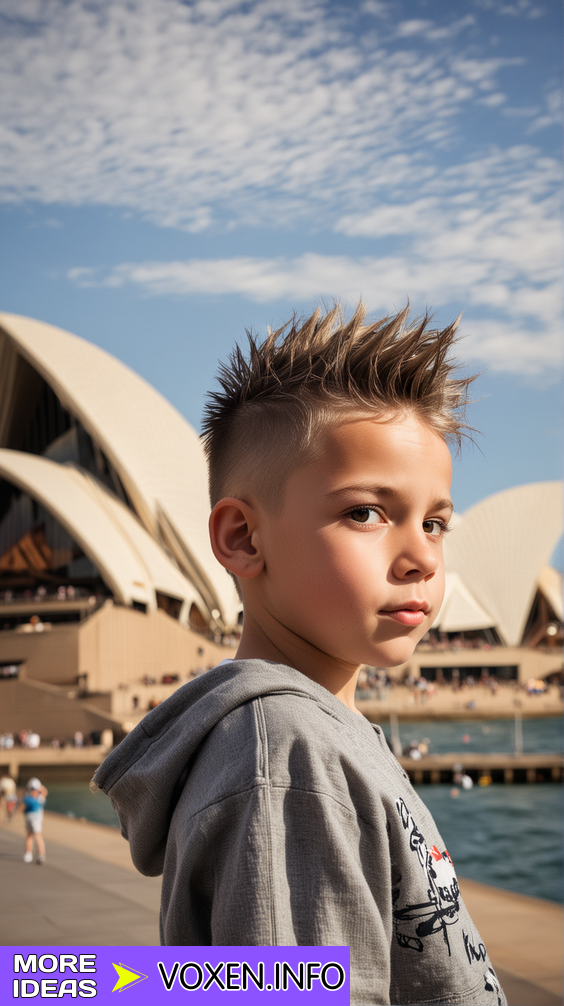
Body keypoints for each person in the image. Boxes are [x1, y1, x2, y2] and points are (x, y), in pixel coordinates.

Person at [94, 304, 506, 1005]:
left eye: (434, 521)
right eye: (366, 512)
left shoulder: (319, 737)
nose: (422, 558)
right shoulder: (284, 754)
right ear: (244, 539)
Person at [21, 777, 48, 863]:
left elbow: (45, 792)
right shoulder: (27, 797)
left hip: (36, 820)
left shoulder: (40, 798)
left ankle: (41, 855)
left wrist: (40, 786)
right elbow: (21, 808)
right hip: (28, 818)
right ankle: (28, 853)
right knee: (29, 835)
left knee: (37, 836)